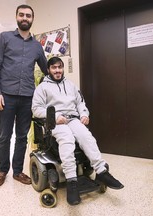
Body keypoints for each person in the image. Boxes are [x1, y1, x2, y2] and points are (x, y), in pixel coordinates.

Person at [32, 57, 124, 205]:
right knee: (67, 139)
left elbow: (80, 102)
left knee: (87, 137)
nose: (57, 70)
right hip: (55, 122)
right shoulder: (42, 88)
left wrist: (84, 114)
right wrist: (55, 117)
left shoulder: (71, 85)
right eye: (54, 68)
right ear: (48, 70)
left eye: (60, 67)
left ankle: (101, 172)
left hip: (73, 119)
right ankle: (71, 181)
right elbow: (36, 109)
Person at [0, 4, 48, 187]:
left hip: (27, 98)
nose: (25, 18)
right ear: (16, 17)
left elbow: (47, 70)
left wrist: (60, 83)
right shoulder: (5, 38)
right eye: (21, 15)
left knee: (22, 136)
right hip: (6, 96)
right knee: (4, 136)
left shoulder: (37, 46)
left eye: (28, 15)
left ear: (32, 19)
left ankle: (17, 171)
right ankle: (3, 170)